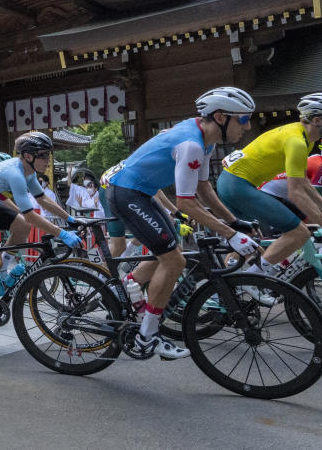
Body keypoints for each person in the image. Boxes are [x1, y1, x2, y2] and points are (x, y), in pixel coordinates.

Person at [104, 87, 262, 359]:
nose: (247, 127)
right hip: (126, 193)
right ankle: (146, 337)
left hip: (140, 193)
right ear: (222, 117)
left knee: (170, 250)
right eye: (244, 119)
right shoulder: (191, 145)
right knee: (174, 260)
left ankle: (131, 284)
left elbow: (204, 189)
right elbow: (186, 203)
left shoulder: (206, 139)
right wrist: (230, 234)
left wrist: (235, 222)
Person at [0, 131, 84, 338]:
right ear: (28, 156)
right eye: (43, 155)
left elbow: (42, 199)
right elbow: (32, 215)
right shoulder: (14, 173)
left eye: (48, 155)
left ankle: (2, 273)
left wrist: (70, 219)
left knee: (21, 226)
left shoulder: (28, 172)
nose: (48, 160)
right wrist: (61, 234)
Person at [218, 92, 322, 281]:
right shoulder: (297, 142)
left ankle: (221, 293)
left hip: (232, 184)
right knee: (299, 232)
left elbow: (303, 183)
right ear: (317, 120)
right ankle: (251, 281)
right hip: (238, 186)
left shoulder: (303, 139)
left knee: (249, 242)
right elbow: (296, 193)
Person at [259, 133, 322, 225]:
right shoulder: (321, 166)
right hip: (269, 195)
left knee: (311, 225)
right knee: (302, 230)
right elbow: (316, 202)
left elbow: (316, 203)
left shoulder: (319, 161)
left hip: (277, 196)